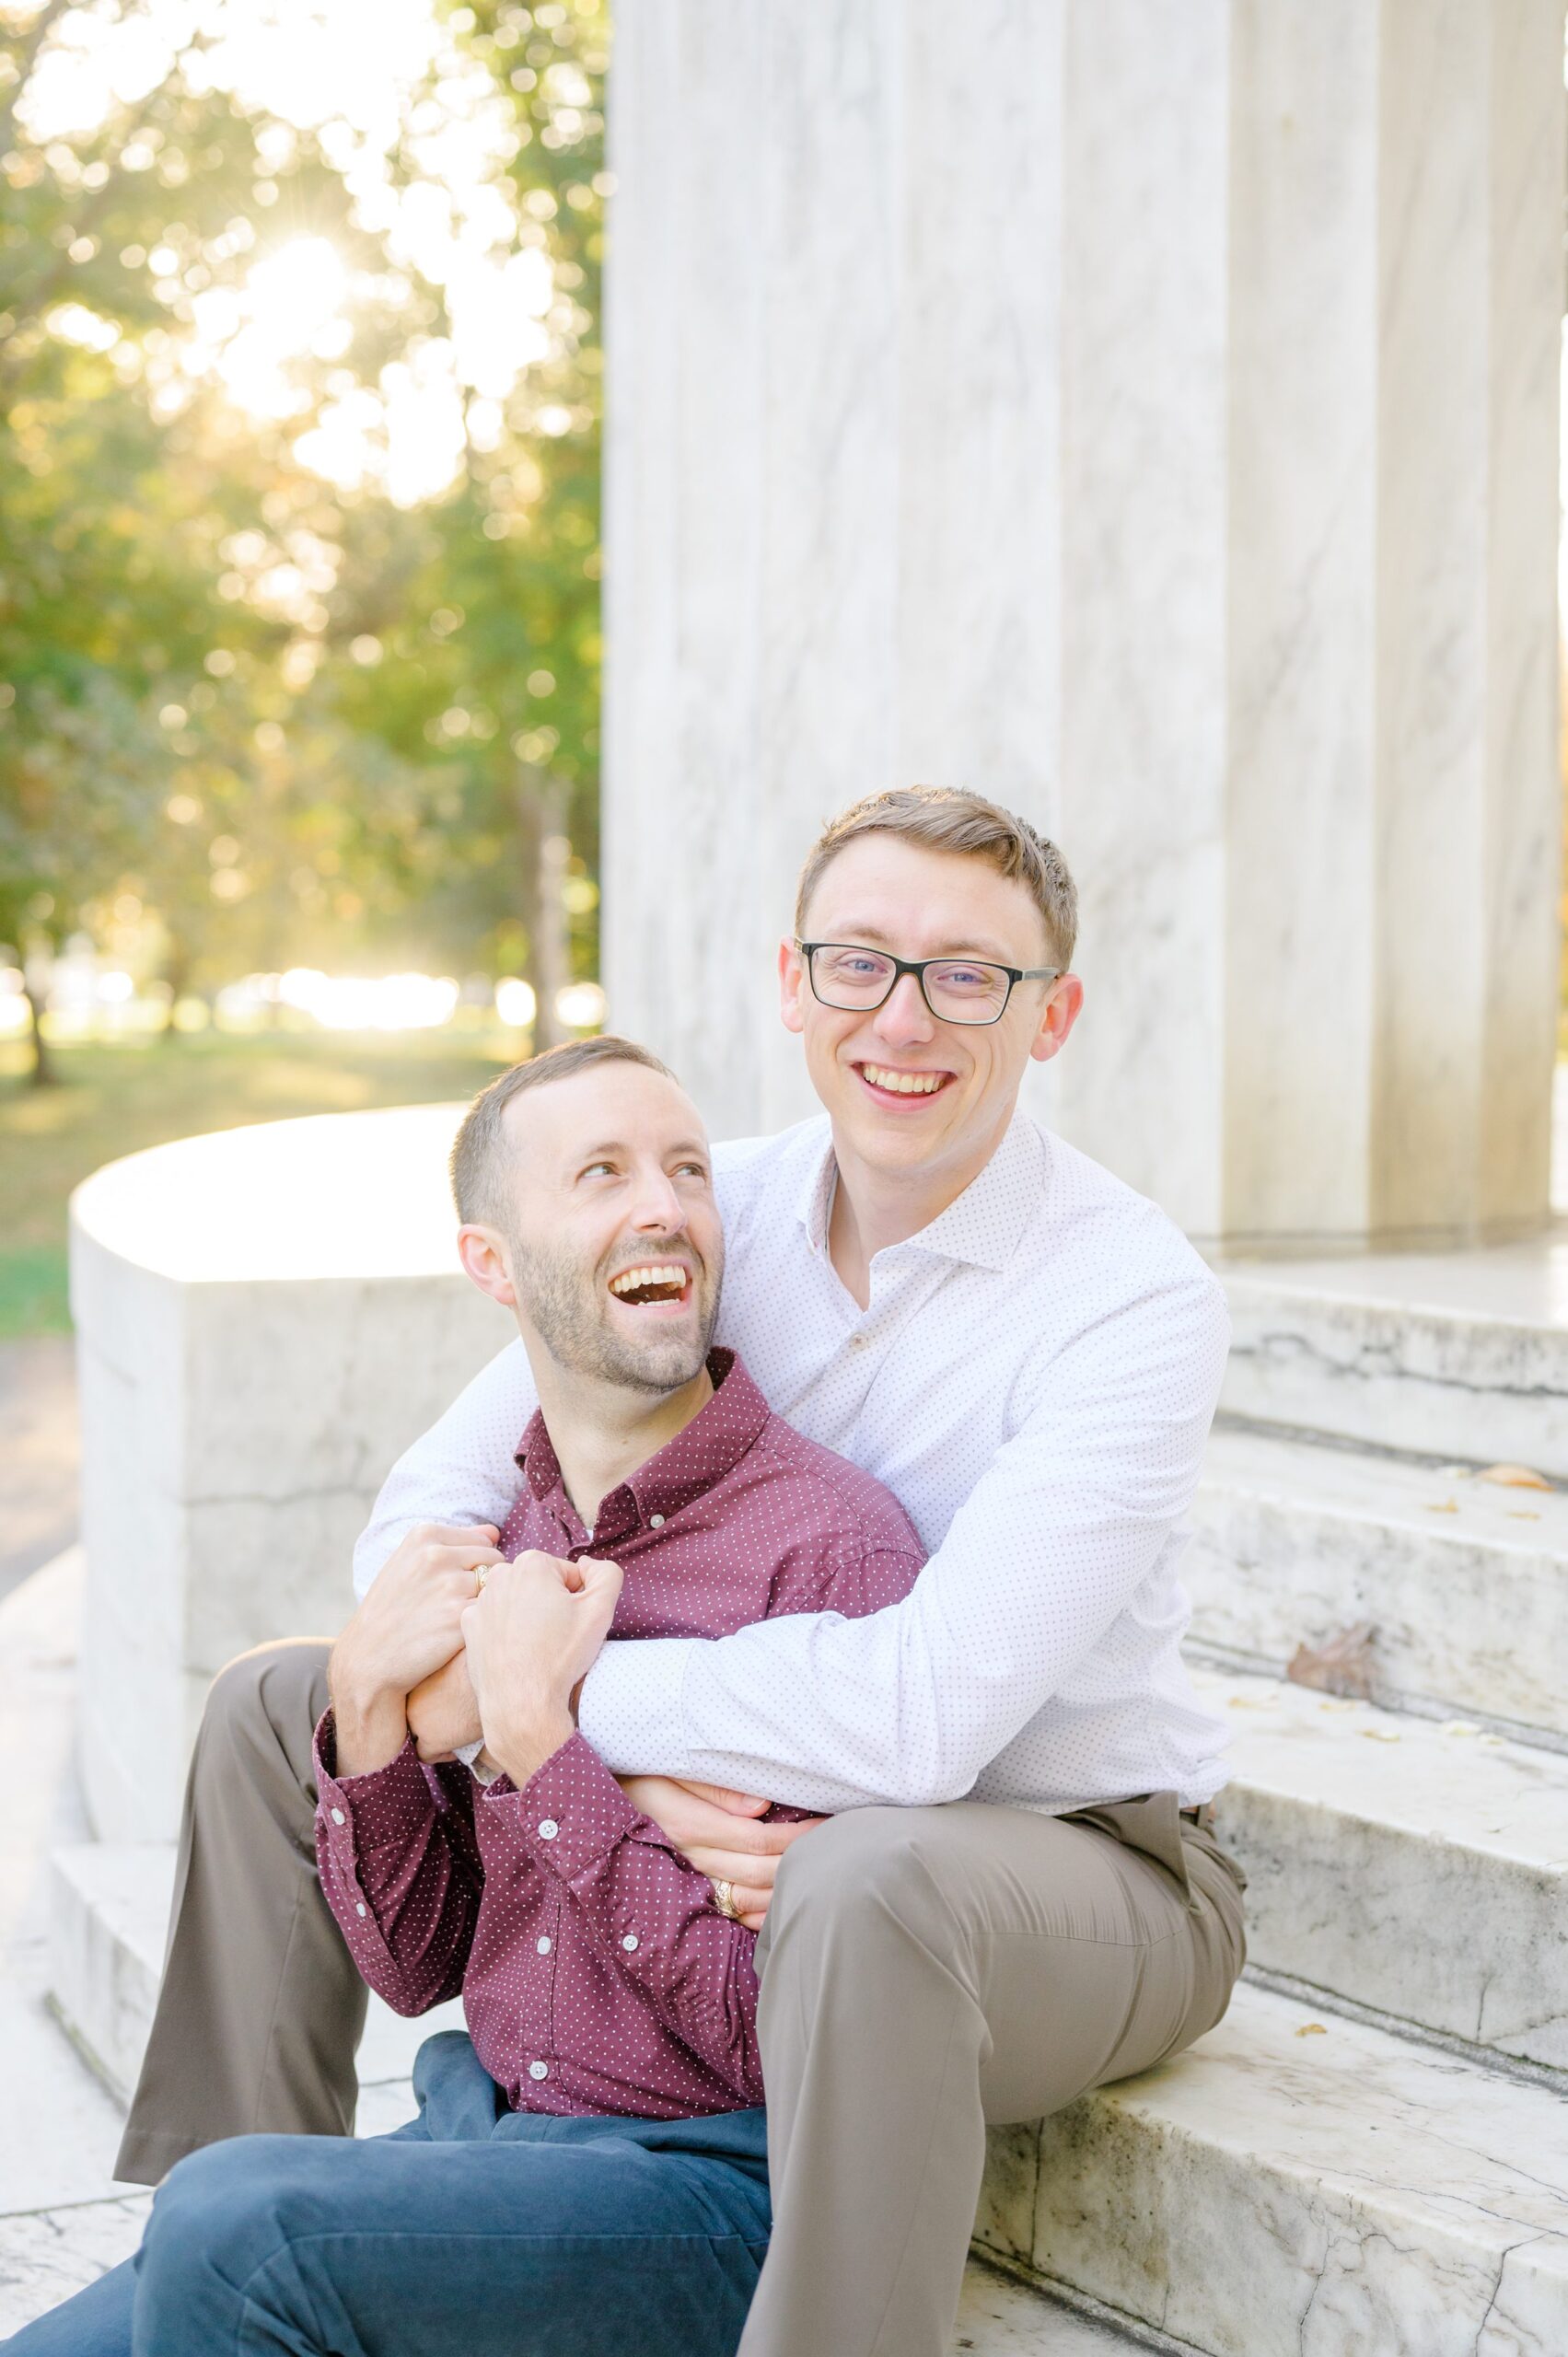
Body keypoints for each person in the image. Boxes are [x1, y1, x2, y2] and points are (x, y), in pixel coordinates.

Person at [111, 785, 1246, 2357]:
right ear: (794, 987)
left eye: (968, 974)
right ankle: (205, 2204)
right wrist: (485, 1702)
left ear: (1048, 1016)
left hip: (1057, 1857)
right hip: (754, 1771)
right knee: (280, 1702)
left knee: (869, 1875)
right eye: (861, 963)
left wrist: (552, 1725)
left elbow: (924, 1725)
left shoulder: (1128, 1300)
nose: (903, 1018)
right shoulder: (723, 1202)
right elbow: (432, 1501)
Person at [8, 1037, 926, 2355]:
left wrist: (546, 1745)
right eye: (599, 1173)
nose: (662, 1203)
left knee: (230, 2223)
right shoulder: (509, 1539)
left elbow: (780, 2036)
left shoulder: (829, 1552)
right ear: (492, 1264)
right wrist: (375, 1724)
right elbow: (421, 1964)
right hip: (491, 2139)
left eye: (684, 1170)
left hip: (710, 2194)